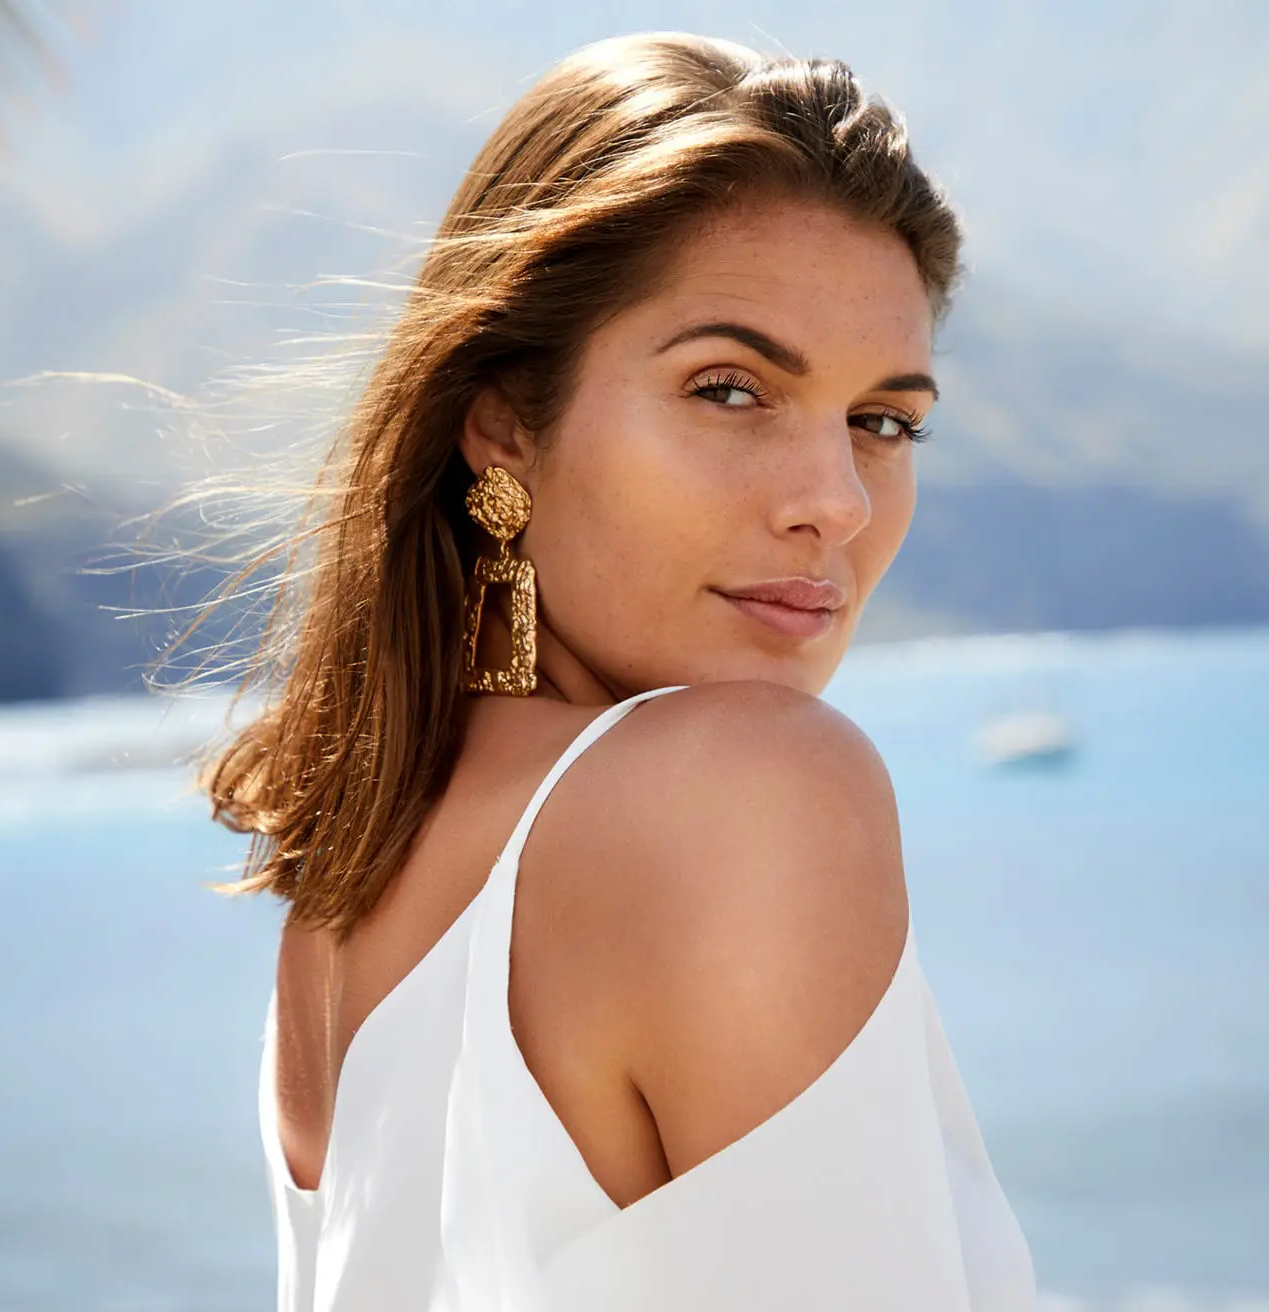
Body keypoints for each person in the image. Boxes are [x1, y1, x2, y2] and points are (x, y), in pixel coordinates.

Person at [202, 31, 1035, 1311]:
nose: (836, 504)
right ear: (504, 423)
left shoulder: (346, 890)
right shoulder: (744, 790)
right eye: (730, 389)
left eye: (885, 422)